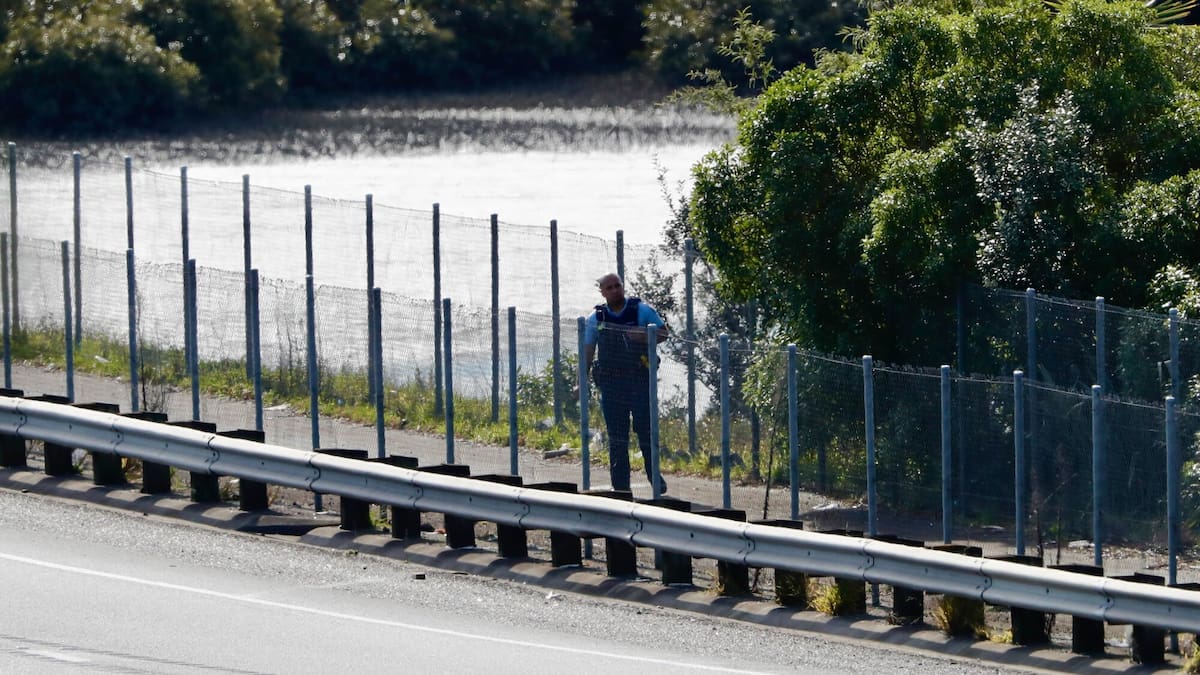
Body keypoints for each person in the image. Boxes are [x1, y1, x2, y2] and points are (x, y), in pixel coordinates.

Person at [583, 272, 670, 494]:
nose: (614, 290)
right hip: (611, 385)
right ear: (602, 292)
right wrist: (580, 382)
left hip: (640, 382)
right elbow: (587, 351)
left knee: (646, 431)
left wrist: (642, 335)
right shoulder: (596, 318)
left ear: (622, 287)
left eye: (617, 286)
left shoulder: (642, 311)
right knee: (617, 437)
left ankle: (654, 476)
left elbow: (663, 333)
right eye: (609, 288)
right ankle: (621, 488)